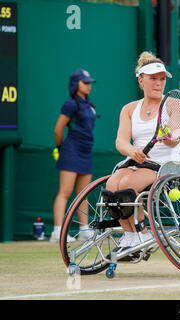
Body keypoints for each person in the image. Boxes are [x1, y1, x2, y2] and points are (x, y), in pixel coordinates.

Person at [103, 51, 180, 252]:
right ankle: (131, 236)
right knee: (111, 186)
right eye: (153, 79)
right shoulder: (129, 109)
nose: (158, 83)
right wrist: (133, 150)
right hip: (137, 163)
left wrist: (168, 135)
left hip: (165, 165)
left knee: (126, 186)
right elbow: (120, 142)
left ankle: (142, 233)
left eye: (162, 79)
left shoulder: (176, 104)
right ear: (141, 81)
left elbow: (175, 139)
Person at [51, 69, 97, 243]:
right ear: (75, 84)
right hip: (71, 150)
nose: (88, 86)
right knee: (65, 192)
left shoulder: (89, 105)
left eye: (89, 83)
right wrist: (60, 148)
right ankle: (57, 232)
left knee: (83, 193)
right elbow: (58, 129)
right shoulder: (70, 104)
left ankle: (84, 230)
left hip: (86, 151)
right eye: (84, 82)